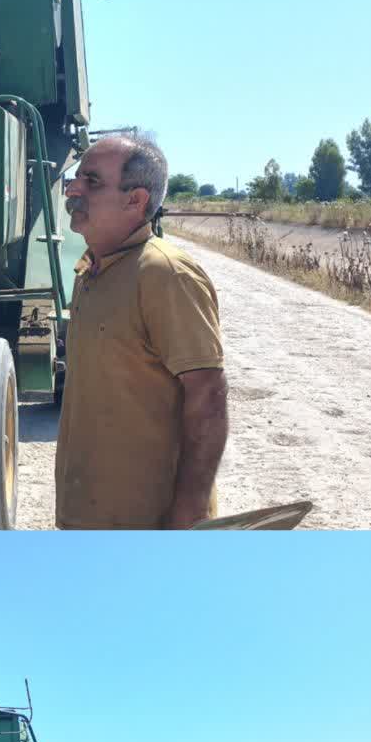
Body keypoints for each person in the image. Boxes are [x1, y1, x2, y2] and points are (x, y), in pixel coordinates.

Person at [55, 133, 228, 530]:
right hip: (89, 516)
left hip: (148, 523)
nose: (74, 189)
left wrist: (191, 509)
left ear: (136, 200)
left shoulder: (165, 273)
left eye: (93, 181)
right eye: (77, 177)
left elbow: (208, 394)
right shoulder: (91, 271)